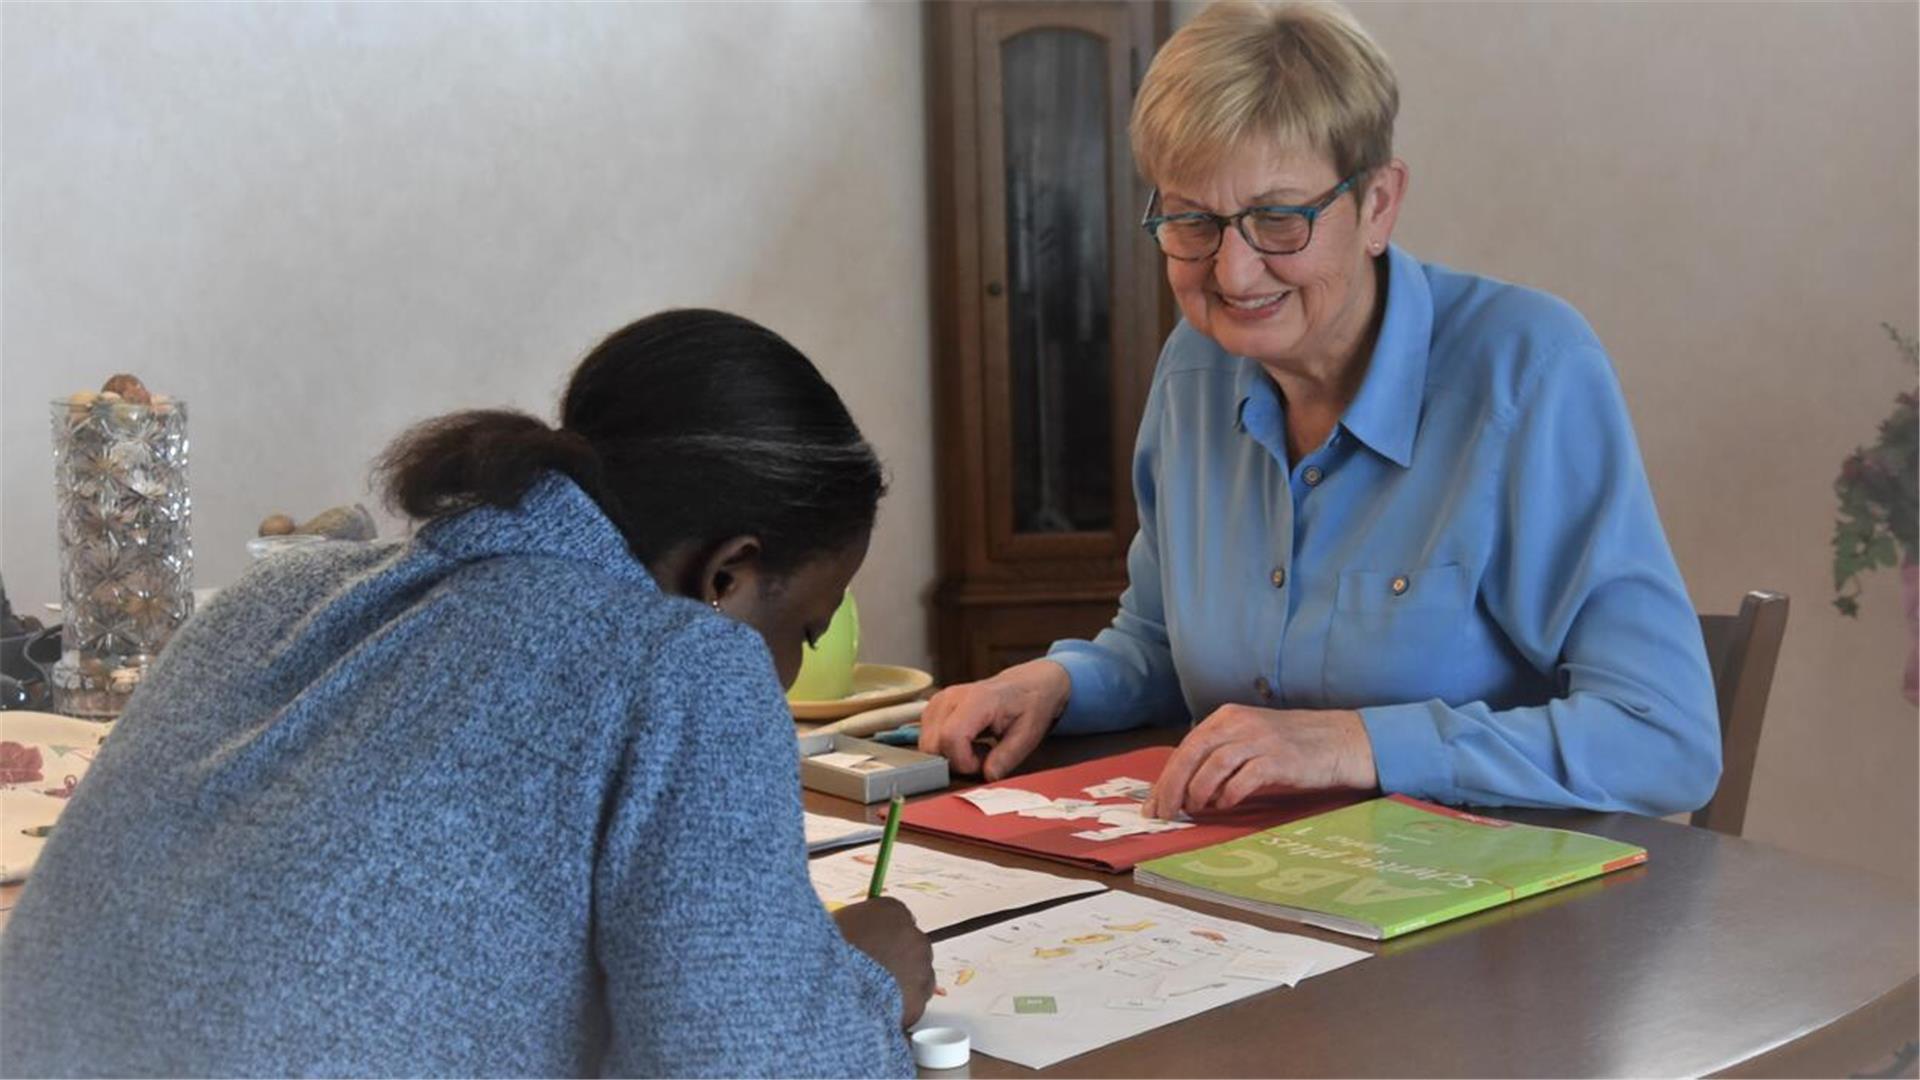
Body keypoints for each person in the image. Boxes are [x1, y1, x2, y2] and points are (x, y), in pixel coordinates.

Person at [0, 309, 931, 1077]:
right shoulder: (684, 664)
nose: (795, 672)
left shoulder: (265, 597)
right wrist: (862, 987)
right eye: (804, 630)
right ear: (727, 574)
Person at [920, 0, 1721, 822]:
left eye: (1278, 218)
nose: (1233, 273)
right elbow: (1163, 645)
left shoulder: (1528, 371)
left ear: (1377, 205)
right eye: (1192, 220)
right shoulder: (1194, 370)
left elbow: (1664, 740)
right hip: (1246, 898)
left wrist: (1354, 743)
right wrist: (1053, 683)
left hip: (1495, 919)